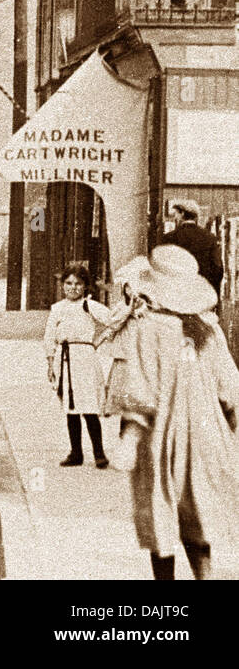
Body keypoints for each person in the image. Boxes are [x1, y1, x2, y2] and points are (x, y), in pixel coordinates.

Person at [103, 245, 239, 580]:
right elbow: (231, 390)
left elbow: (141, 392)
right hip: (204, 436)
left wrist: (129, 442)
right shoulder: (210, 330)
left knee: (159, 513)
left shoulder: (147, 329)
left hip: (160, 437)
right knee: (198, 516)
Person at [43, 262, 114, 468]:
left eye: (78, 284)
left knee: (89, 406)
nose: (72, 287)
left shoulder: (89, 305)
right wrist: (50, 362)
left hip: (84, 358)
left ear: (85, 286)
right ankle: (76, 452)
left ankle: (99, 452)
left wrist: (99, 340)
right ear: (62, 285)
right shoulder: (57, 309)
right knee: (70, 408)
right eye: (68, 283)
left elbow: (112, 321)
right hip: (64, 359)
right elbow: (49, 337)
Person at [160, 199, 223, 300]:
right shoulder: (210, 237)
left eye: (176, 214)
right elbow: (217, 268)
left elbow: (162, 267)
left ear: (182, 213)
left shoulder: (169, 237)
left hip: (177, 295)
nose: (175, 217)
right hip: (202, 293)